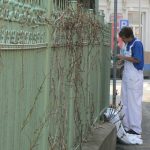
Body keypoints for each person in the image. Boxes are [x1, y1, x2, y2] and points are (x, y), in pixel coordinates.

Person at [117, 27, 144, 135]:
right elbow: (129, 59)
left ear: (128, 36)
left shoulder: (137, 44)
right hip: (127, 76)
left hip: (134, 77)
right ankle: (127, 126)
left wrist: (123, 57)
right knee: (125, 101)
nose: (122, 40)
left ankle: (135, 128)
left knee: (134, 103)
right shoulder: (128, 44)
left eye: (123, 38)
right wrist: (122, 61)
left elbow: (137, 59)